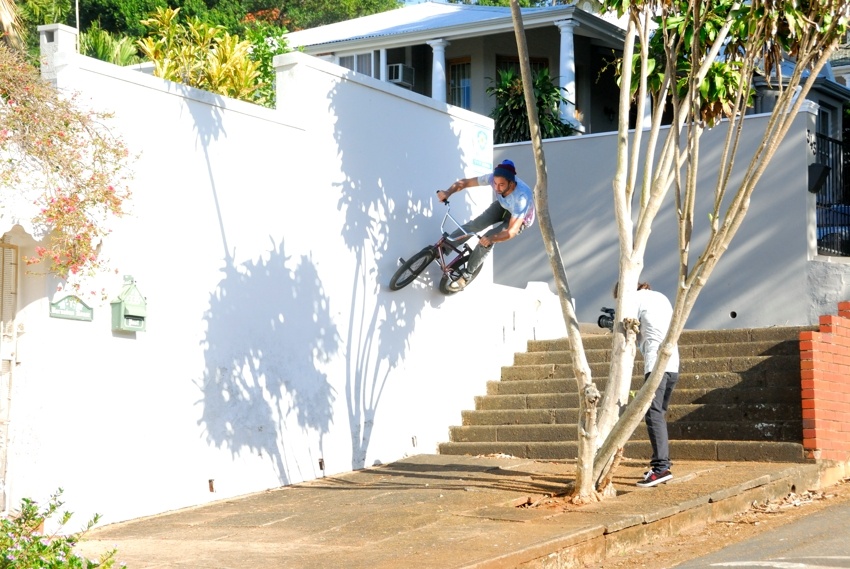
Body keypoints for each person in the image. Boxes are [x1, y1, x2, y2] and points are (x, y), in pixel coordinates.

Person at [614, 281, 680, 487]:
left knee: (653, 414)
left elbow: (629, 330)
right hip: (673, 365)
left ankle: (661, 468)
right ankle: (661, 465)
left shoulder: (634, 299)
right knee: (658, 413)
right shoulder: (661, 298)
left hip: (657, 364)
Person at [435, 159, 535, 291]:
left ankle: (467, 275)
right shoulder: (493, 178)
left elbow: (511, 232)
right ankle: (444, 248)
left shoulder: (522, 197)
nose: (497, 187)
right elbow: (465, 183)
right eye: (495, 183)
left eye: (501, 185)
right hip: (503, 205)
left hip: (518, 218)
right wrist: (448, 192)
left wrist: (491, 239)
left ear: (511, 183)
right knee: (475, 225)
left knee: (486, 240)